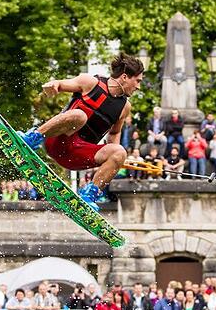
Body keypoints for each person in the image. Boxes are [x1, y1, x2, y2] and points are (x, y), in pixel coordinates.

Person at [18, 54, 143, 211]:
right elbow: (60, 84)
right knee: (80, 115)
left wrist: (115, 161)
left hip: (77, 156)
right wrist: (53, 85)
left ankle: (88, 197)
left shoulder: (125, 107)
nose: (138, 86)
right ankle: (31, 139)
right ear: (125, 77)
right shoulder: (90, 82)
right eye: (137, 81)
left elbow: (114, 134)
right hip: (55, 141)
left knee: (120, 152)